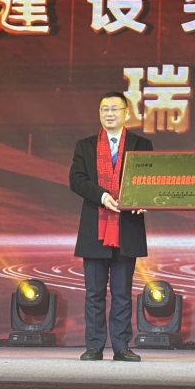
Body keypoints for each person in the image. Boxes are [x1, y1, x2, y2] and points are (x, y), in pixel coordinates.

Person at [69, 91, 152, 361]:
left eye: (115, 109)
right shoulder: (85, 146)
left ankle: (121, 346)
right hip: (95, 226)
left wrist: (143, 199)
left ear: (127, 113)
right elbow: (76, 180)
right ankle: (94, 346)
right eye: (104, 109)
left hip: (127, 227)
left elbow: (148, 180)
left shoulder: (141, 144)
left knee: (122, 293)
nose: (109, 114)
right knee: (94, 293)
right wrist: (103, 196)